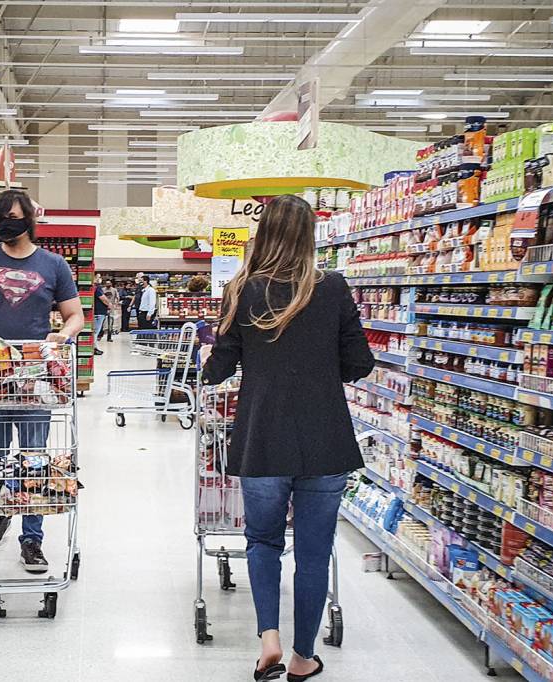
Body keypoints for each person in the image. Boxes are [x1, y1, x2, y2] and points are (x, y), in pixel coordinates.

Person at [199, 194, 373, 682]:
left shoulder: (241, 290)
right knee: (315, 550)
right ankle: (303, 655)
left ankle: (268, 639)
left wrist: (208, 346)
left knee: (262, 541)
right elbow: (360, 363)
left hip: (262, 436)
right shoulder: (333, 287)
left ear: (264, 234)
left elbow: (218, 371)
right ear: (310, 236)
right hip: (324, 437)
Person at [0, 188, 85, 572]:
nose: (6, 223)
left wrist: (64, 335)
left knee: (34, 459)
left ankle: (32, 539)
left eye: (13, 216)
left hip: (35, 376)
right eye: (0, 217)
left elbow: (74, 315)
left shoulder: (54, 265)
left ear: (29, 220)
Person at [93, 275, 112, 355]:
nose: (99, 279)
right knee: (95, 332)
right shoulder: (97, 287)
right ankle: (94, 348)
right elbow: (103, 298)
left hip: (97, 312)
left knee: (95, 332)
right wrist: (109, 304)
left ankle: (94, 347)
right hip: (99, 313)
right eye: (98, 277)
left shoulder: (93, 287)